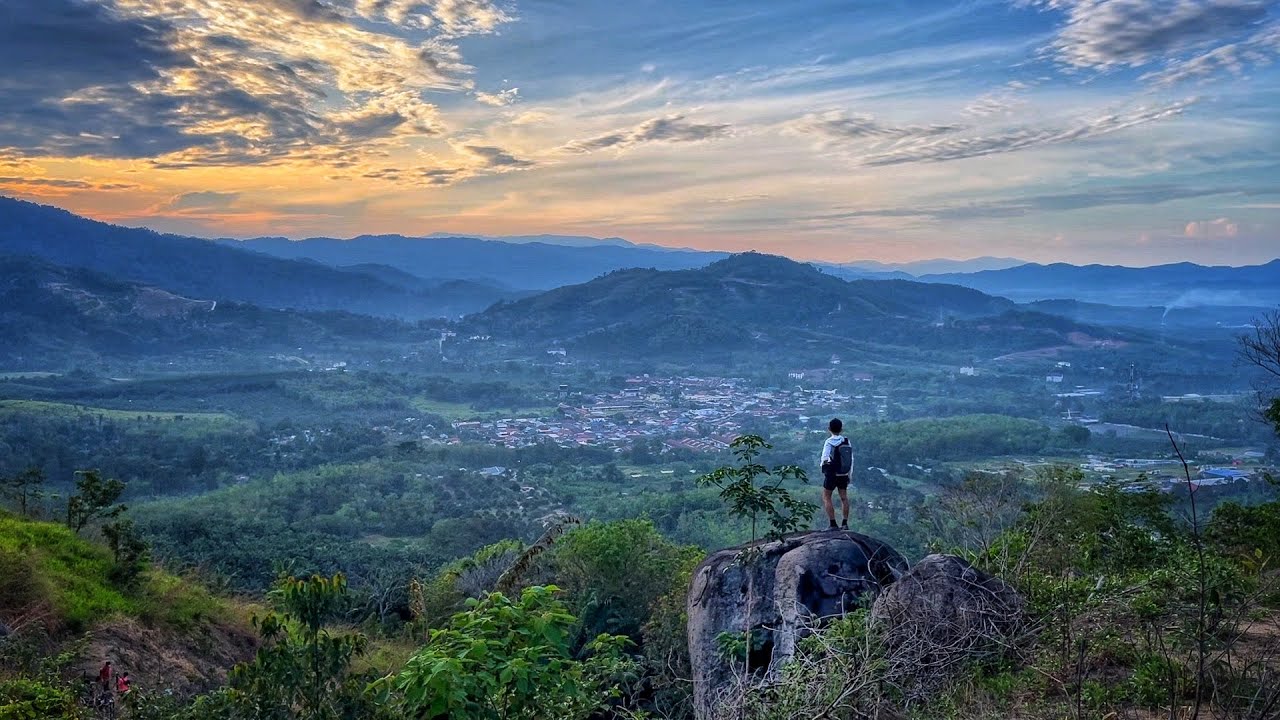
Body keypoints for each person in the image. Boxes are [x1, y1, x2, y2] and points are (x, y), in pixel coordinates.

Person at [819, 417, 853, 530]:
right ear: (841, 429)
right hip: (843, 474)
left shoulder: (829, 442)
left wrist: (825, 469)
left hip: (832, 474)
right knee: (844, 497)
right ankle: (845, 523)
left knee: (826, 496)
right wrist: (849, 475)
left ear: (829, 429)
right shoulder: (847, 441)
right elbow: (851, 460)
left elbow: (825, 458)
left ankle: (833, 524)